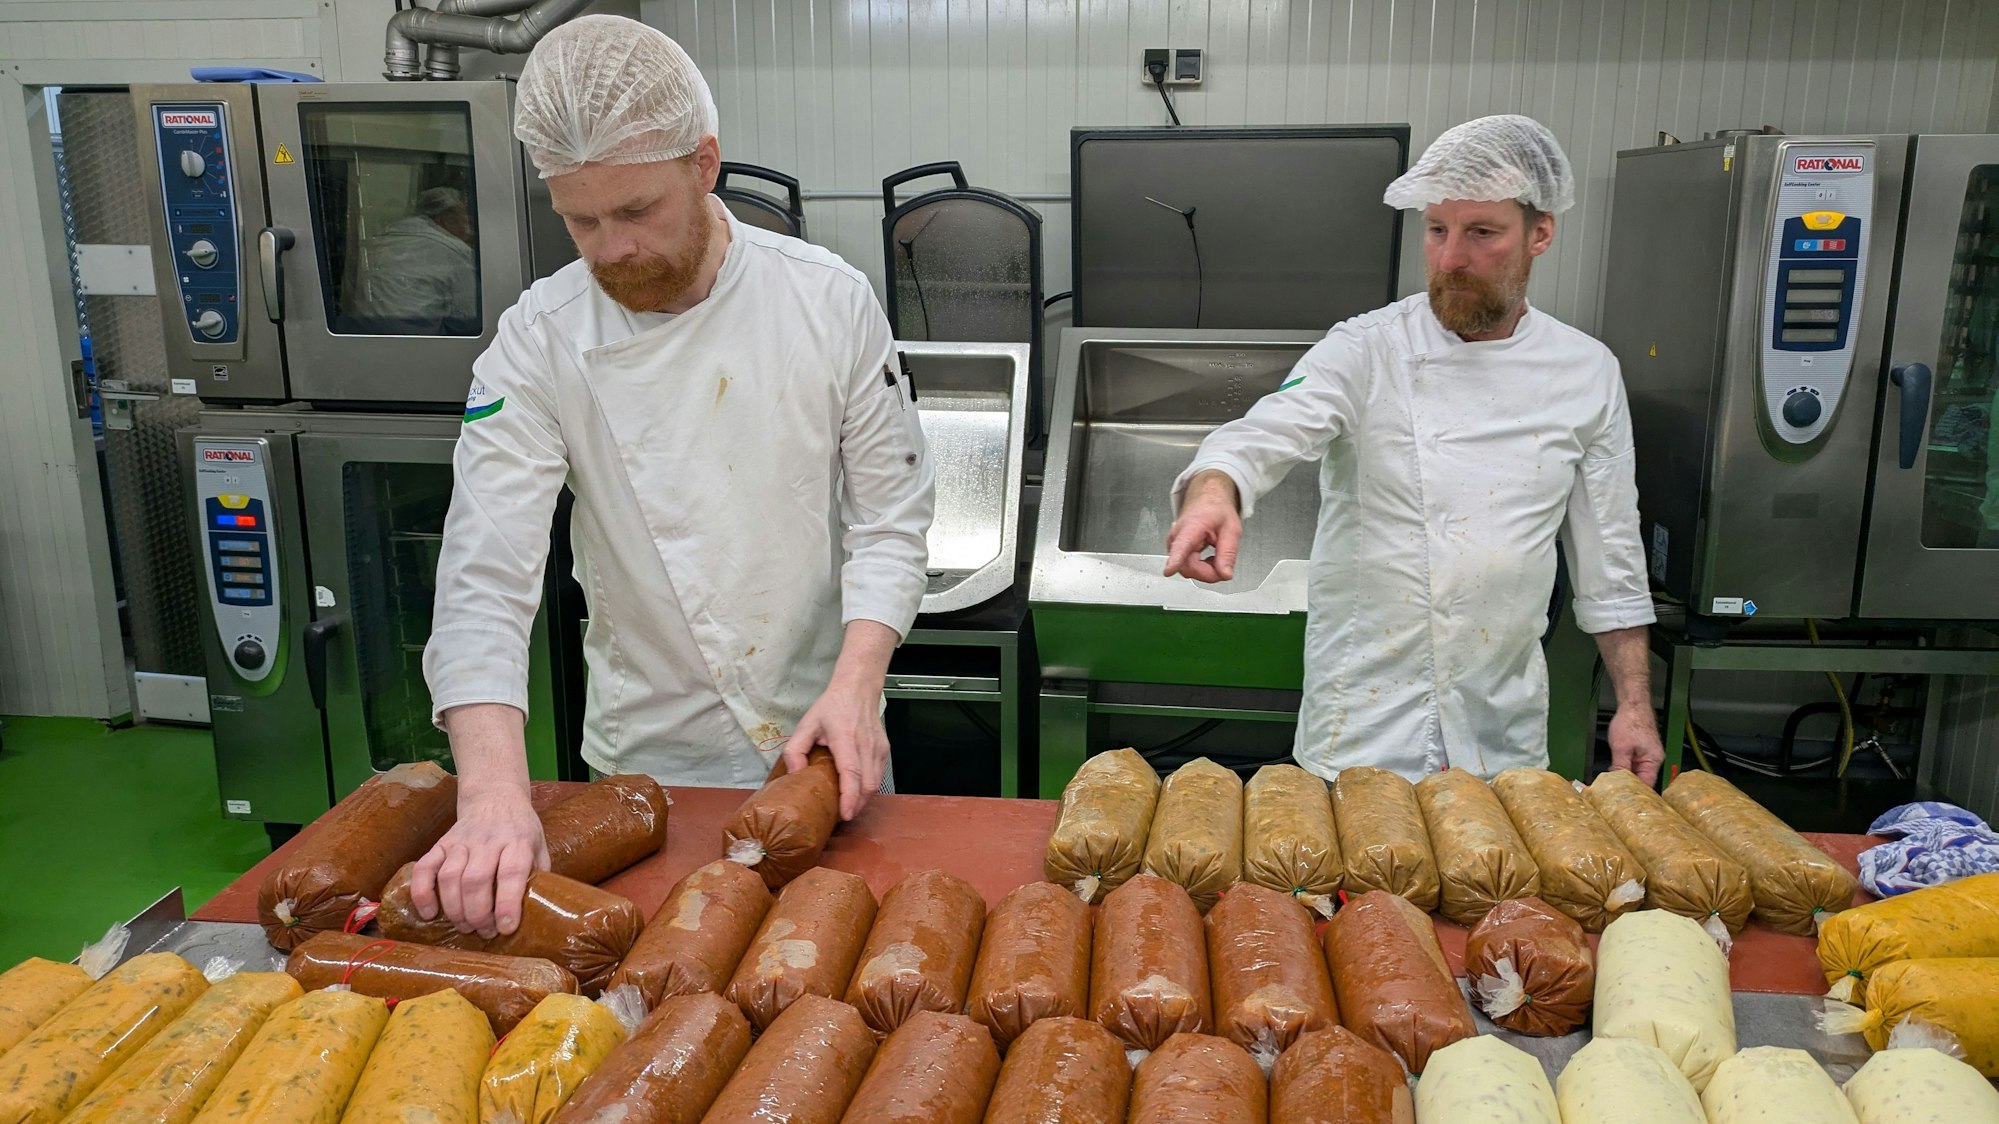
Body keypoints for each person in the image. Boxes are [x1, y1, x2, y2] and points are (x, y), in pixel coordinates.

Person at [414, 16, 934, 938]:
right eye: (580, 220)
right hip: (648, 769)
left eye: (636, 211)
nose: (611, 248)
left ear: (704, 163)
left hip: (826, 745)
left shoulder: (827, 301)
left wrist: (858, 684)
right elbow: (483, 580)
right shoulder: (538, 340)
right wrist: (491, 793)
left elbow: (889, 521)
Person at [1164, 114, 1663, 786]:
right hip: (1361, 722)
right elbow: (1267, 429)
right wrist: (1215, 487)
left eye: (1481, 232)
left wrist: (1634, 705)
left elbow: (1611, 559)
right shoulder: (1366, 348)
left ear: (1539, 233)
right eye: (1436, 230)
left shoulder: (1586, 370)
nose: (1451, 258)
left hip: (1498, 727)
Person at [361, 185, 480, 334]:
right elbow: (467, 318)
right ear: (447, 219)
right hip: (422, 341)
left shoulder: (384, 238)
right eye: (466, 221)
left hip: (366, 336)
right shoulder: (455, 251)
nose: (469, 231)